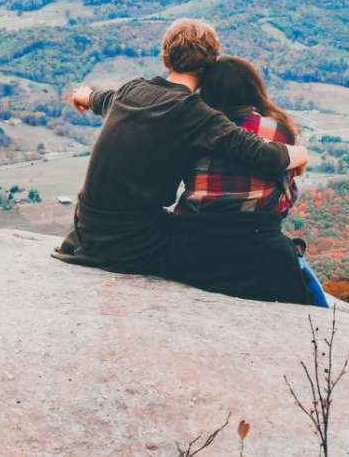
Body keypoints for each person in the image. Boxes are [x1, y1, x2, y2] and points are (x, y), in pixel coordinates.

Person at [53, 19, 309, 275]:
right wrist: (301, 154)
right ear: (212, 64)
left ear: (166, 60)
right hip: (131, 243)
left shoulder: (131, 90)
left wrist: (84, 95)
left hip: (85, 230)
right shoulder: (194, 113)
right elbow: (261, 153)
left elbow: (104, 99)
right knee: (200, 235)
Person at [164, 57, 328, 307]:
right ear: (255, 88)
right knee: (315, 303)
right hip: (260, 254)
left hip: (193, 251)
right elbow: (285, 200)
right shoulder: (278, 130)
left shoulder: (194, 129)